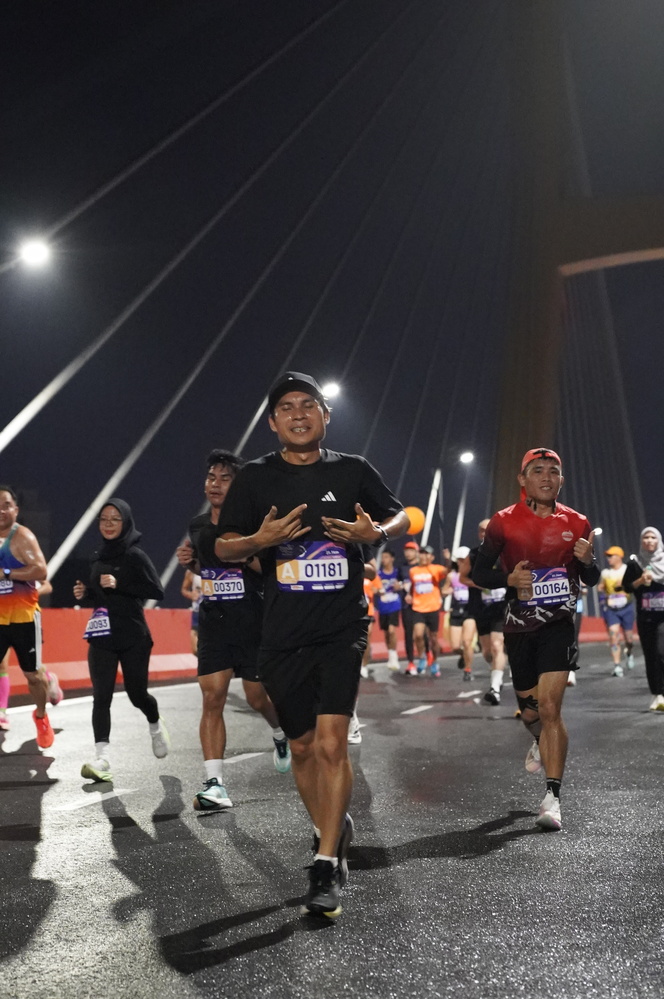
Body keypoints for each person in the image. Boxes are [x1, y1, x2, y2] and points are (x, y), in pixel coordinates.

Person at [213, 371, 408, 918]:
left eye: (308, 405)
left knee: (330, 744)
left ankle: (324, 863)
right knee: (300, 747)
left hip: (342, 627)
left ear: (326, 415)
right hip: (280, 633)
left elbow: (399, 513)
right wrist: (259, 540)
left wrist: (377, 533)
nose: (298, 414)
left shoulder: (352, 470)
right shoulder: (255, 478)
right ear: (273, 423)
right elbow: (223, 546)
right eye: (287, 408)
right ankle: (331, 826)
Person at [472, 447, 598, 831]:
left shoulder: (578, 522)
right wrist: (508, 579)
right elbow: (479, 573)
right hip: (518, 626)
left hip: (558, 625)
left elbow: (590, 578)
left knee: (549, 707)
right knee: (531, 714)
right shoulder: (503, 522)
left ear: (562, 480)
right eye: (538, 470)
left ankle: (552, 798)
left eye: (553, 471)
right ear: (523, 479)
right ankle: (540, 740)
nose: (546, 476)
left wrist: (588, 562)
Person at [177, 449, 291, 812]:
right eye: (211, 477)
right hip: (214, 624)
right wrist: (192, 564)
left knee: (258, 699)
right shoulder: (198, 526)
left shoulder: (254, 524)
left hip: (252, 623)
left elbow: (271, 570)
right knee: (212, 698)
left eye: (225, 479)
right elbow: (208, 570)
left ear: (238, 486)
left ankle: (280, 732)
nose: (215, 484)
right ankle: (215, 785)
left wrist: (248, 554)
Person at [73, 499, 168, 781]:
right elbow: (101, 595)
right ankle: (101, 758)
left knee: (137, 694)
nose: (109, 524)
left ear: (125, 522)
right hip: (102, 634)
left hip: (133, 636)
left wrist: (120, 584)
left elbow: (157, 591)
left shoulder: (135, 556)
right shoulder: (96, 557)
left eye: (115, 519)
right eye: (104, 519)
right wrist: (85, 594)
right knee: (101, 696)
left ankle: (155, 723)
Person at [0, 486, 60, 748]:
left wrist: (6, 574)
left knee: (33, 676)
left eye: (6, 505)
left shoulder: (22, 537)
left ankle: (41, 716)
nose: (1, 511)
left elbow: (41, 571)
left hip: (24, 618)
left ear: (16, 509)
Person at [0, 578, 60, 731]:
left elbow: (47, 585)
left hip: (23, 619)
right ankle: (2, 712)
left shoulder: (23, 566)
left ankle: (48, 678)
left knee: (32, 671)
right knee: (2, 666)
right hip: (2, 618)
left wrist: (30, 594)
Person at [461, 520, 508, 703]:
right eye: (481, 531)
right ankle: (497, 670)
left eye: (488, 530)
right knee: (487, 652)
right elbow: (462, 578)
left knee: (497, 645)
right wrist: (478, 584)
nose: (485, 534)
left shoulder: (506, 553)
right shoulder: (473, 555)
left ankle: (494, 688)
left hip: (501, 607)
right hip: (481, 609)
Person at [622, 528, 664, 710]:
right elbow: (626, 587)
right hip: (646, 616)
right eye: (646, 537)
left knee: (662, 651)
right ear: (641, 541)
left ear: (659, 540)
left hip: (663, 616)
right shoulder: (635, 564)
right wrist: (640, 581)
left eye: (653, 537)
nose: (649, 540)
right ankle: (657, 694)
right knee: (651, 655)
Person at [599, 545, 636, 677]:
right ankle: (617, 665)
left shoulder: (627, 570)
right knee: (613, 635)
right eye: (607, 556)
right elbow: (601, 587)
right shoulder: (605, 573)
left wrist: (624, 585)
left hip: (627, 607)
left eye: (611, 556)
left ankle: (629, 653)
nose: (608, 558)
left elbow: (635, 586)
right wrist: (601, 588)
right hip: (612, 609)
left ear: (619, 556)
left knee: (629, 639)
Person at [409, 545, 446, 677]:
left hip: (433, 608)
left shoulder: (436, 569)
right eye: (422, 553)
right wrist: (409, 595)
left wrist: (447, 560)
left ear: (432, 557)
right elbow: (413, 586)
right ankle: (422, 657)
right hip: (418, 608)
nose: (423, 556)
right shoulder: (413, 571)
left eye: (426, 554)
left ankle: (435, 662)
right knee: (418, 635)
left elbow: (447, 572)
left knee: (434, 639)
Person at [442, 547, 475, 681]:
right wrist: (447, 591)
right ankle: (463, 655)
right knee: (455, 646)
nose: (462, 563)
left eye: (464, 560)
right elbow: (444, 590)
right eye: (460, 560)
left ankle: (468, 669)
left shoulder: (473, 575)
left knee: (467, 642)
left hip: (470, 611)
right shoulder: (452, 576)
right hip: (456, 611)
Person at [375, 548, 402, 671]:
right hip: (383, 607)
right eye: (383, 557)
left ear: (392, 559)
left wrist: (399, 586)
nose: (384, 560)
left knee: (392, 631)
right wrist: (377, 591)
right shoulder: (378, 574)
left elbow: (404, 583)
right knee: (386, 633)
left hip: (394, 605)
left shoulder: (397, 572)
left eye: (386, 557)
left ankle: (394, 656)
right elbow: (374, 588)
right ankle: (390, 654)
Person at [399, 541, 421, 673]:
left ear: (417, 552)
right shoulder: (402, 568)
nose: (408, 553)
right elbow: (398, 583)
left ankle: (426, 656)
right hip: (406, 605)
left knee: (421, 634)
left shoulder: (421, 567)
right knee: (408, 634)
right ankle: (411, 662)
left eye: (411, 550)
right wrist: (399, 585)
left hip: (422, 605)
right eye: (406, 550)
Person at [181, 569, 202, 655]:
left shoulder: (215, 567)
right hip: (197, 611)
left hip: (213, 611)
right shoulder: (191, 571)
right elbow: (184, 589)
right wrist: (191, 595)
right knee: (195, 650)